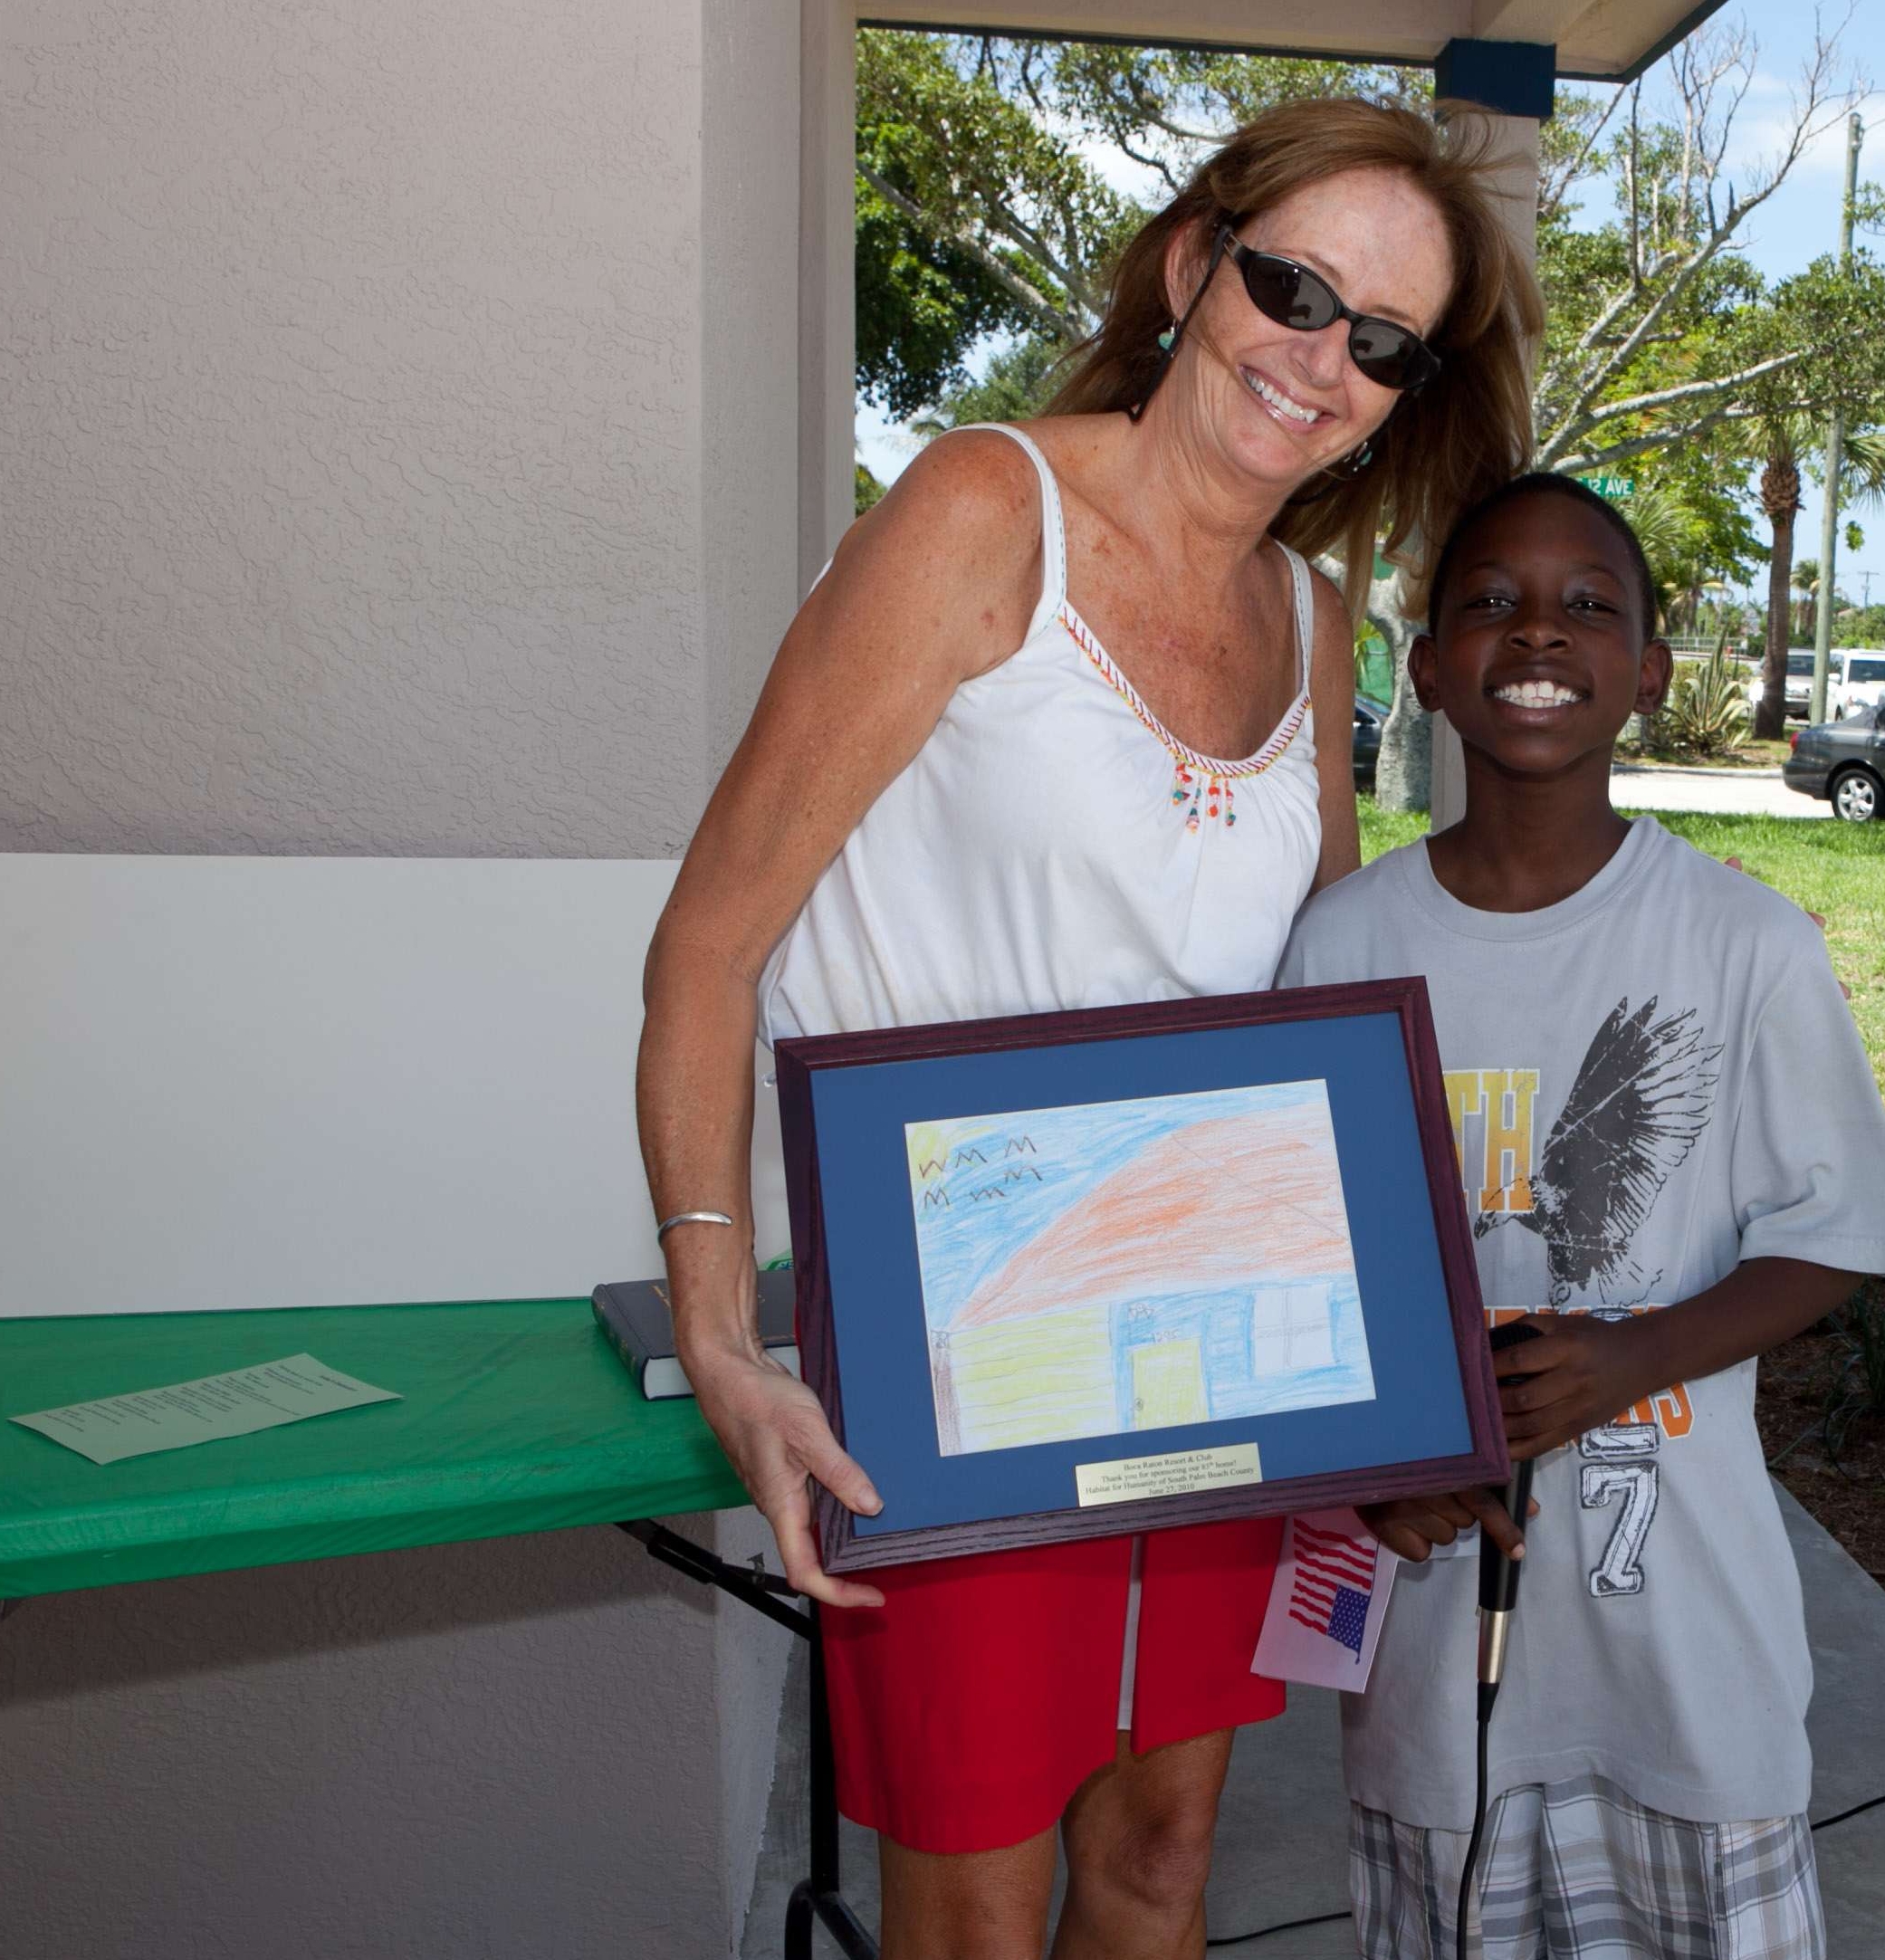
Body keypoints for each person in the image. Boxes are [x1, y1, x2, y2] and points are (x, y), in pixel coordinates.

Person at [635, 100, 1538, 1960]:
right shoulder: (982, 512)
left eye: (1382, 341)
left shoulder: (1314, 619)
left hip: (1222, 1357)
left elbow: (1311, 1036)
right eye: (1296, 287)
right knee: (973, 1904)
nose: (1322, 358)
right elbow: (710, 948)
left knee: (1162, 1864)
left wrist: (1411, 1373)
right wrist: (725, 1333)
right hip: (953, 1357)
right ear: (1197, 261)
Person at [1274, 475, 1885, 1959]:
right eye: (1490, 600)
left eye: (1587, 603)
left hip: (1688, 1653)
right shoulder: (1345, 942)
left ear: (1650, 669)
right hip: (1441, 1651)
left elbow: (1838, 1229)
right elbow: (1298, 1273)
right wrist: (1378, 1476)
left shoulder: (1740, 939)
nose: (1537, 632)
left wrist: (1634, 1356)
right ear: (1426, 663)